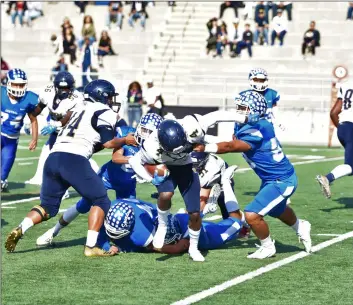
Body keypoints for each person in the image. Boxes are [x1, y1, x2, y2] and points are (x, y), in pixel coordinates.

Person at [5, 79, 136, 256]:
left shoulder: (77, 107)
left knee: (48, 207)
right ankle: (91, 247)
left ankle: (21, 227)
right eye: (110, 97)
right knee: (101, 200)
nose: (112, 101)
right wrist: (125, 140)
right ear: (102, 96)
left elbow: (89, 140)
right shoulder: (104, 112)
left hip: (53, 158)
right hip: (74, 160)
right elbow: (108, 143)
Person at [193, 91, 312, 259]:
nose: (238, 111)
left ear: (254, 110)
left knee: (252, 215)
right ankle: (301, 226)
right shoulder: (245, 125)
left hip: (282, 180)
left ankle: (268, 247)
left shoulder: (257, 128)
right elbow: (231, 141)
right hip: (271, 179)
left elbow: (230, 147)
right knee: (277, 209)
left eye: (243, 108)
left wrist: (205, 147)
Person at [128, 110, 258, 261]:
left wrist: (245, 118)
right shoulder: (150, 145)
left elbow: (217, 116)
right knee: (165, 195)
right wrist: (150, 178)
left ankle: (193, 248)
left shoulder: (192, 126)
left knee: (195, 213)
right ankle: (162, 226)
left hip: (186, 167)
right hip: (167, 167)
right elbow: (134, 161)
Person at [36, 113, 163, 246]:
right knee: (83, 205)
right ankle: (53, 231)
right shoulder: (127, 133)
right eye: (144, 130)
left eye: (150, 132)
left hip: (127, 184)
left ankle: (120, 242)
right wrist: (136, 161)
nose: (145, 135)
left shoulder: (155, 148)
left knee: (129, 212)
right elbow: (116, 158)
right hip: (107, 176)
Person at [99, 166, 244, 254]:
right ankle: (204, 209)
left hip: (179, 232)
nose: (113, 237)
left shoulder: (141, 234)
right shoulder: (117, 204)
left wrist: (182, 244)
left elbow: (173, 248)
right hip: (174, 220)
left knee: (236, 221)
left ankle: (225, 182)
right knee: (191, 217)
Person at [25, 72, 87, 188]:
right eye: (62, 88)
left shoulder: (77, 98)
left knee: (65, 159)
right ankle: (39, 178)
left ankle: (65, 187)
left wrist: (56, 124)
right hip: (56, 130)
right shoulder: (47, 92)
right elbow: (39, 108)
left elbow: (69, 118)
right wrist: (30, 118)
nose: (64, 91)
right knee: (47, 152)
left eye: (67, 88)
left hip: (71, 132)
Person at [1, 69, 39, 191]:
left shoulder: (29, 98)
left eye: (21, 84)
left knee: (2, 175)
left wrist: (34, 138)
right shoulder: (2, 94)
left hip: (11, 140)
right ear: (8, 83)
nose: (18, 87)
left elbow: (33, 119)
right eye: (15, 84)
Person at [316, 79, 353, 199]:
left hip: (343, 128)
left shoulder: (347, 84)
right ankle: (327, 178)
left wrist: (344, 129)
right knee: (350, 166)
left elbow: (334, 112)